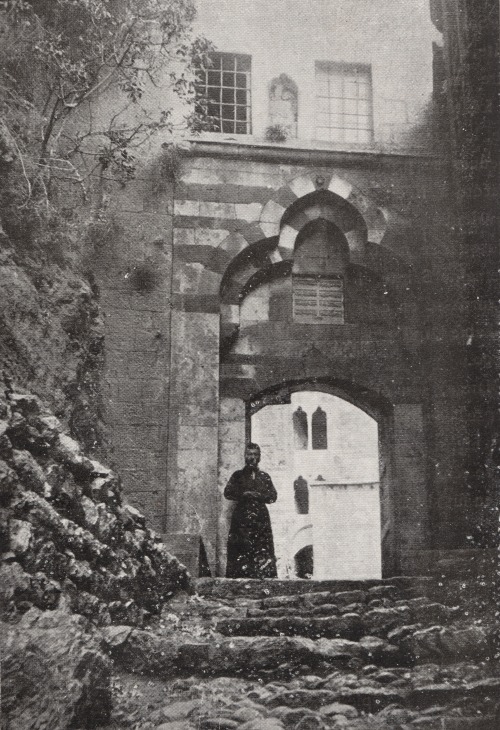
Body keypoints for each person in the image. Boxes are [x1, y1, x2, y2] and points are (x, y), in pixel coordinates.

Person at [224, 442, 278, 578]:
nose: (252, 457)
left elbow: (273, 496)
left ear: (259, 457)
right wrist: (243, 494)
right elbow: (228, 492)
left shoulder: (264, 477)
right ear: (245, 456)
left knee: (262, 547)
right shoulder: (237, 476)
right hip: (242, 518)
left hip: (260, 519)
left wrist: (260, 496)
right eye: (249, 454)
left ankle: (263, 577)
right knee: (240, 547)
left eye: (255, 454)